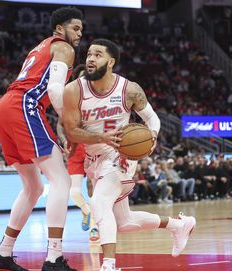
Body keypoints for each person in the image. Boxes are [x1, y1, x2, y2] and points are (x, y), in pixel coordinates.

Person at [62, 39, 196, 271]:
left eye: (98, 55)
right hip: (94, 158)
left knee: (98, 202)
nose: (91, 59)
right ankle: (178, 225)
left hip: (120, 157)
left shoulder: (129, 89)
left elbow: (152, 118)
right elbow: (72, 131)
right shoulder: (74, 90)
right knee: (124, 222)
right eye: (89, 55)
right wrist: (98, 138)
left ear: (111, 62)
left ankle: (109, 265)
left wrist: (152, 136)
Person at [0, 7, 83, 271]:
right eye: (76, 28)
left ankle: (2, 254)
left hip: (3, 107)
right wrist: (70, 126)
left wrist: (61, 128)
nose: (79, 34)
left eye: (81, 30)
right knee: (61, 180)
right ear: (60, 29)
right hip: (23, 107)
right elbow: (53, 90)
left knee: (33, 187)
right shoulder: (63, 47)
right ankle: (54, 258)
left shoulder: (39, 47)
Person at [56, 64, 99, 242]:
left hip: (92, 148)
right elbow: (60, 125)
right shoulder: (70, 99)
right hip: (75, 148)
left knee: (94, 191)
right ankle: (87, 211)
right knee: (74, 191)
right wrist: (63, 139)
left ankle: (95, 228)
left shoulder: (97, 99)